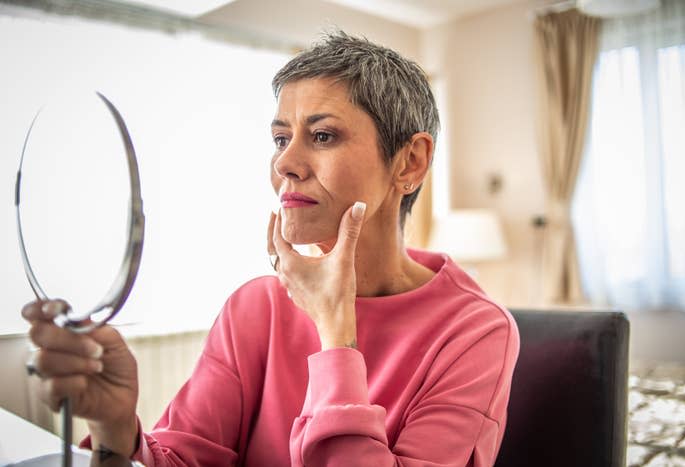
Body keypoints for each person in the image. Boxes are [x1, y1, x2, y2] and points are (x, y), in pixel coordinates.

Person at [22, 31, 519, 466]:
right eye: (281, 138)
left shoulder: (476, 333)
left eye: (322, 135)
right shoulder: (255, 308)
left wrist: (335, 334)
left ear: (409, 162)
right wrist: (115, 427)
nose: (286, 163)